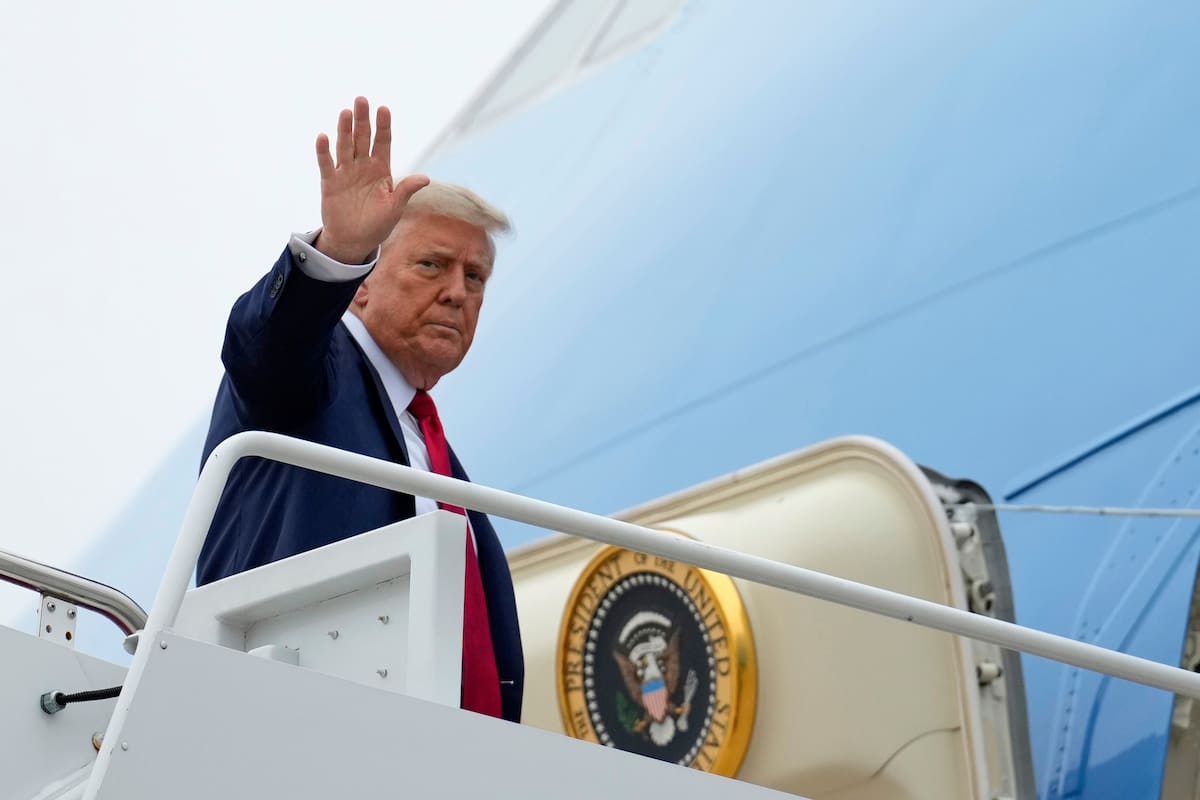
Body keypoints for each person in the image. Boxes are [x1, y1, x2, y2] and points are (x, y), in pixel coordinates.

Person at [196, 96, 523, 723]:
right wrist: (339, 253)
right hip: (285, 732)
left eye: (475, 277)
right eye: (432, 265)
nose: (457, 292)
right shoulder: (314, 375)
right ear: (364, 283)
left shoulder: (440, 461)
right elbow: (265, 346)